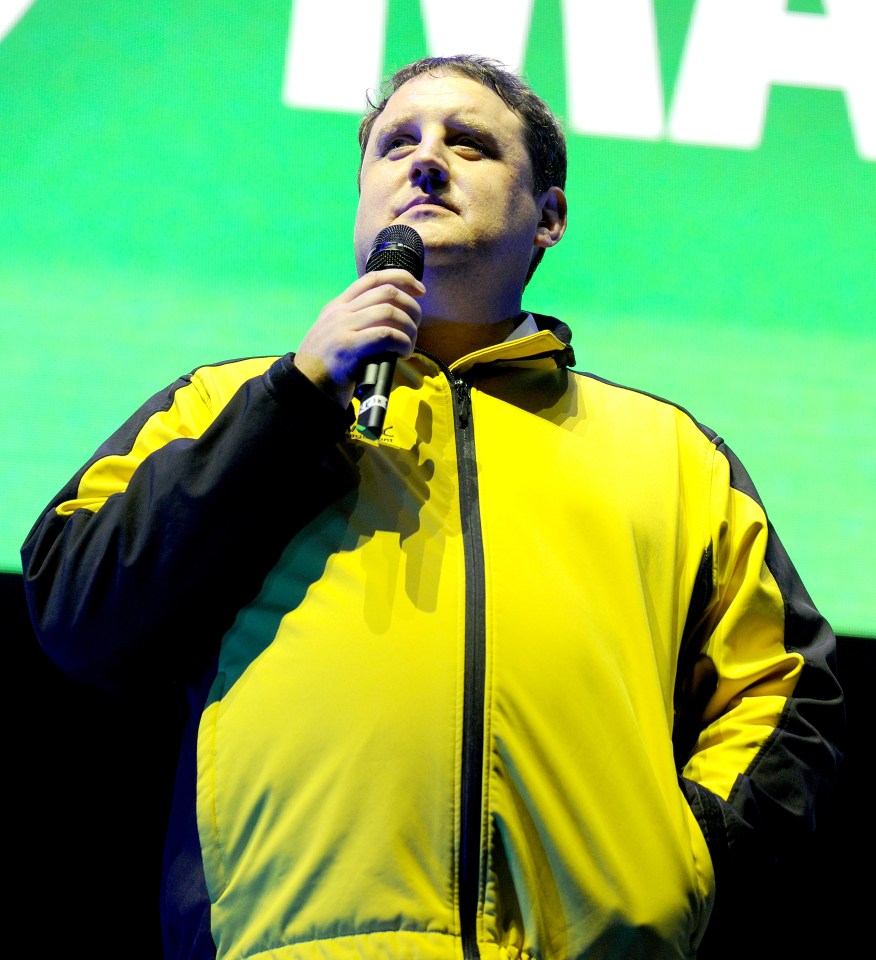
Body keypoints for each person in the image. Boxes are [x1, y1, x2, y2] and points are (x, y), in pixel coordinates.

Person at [21, 55, 843, 960]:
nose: (426, 160)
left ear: (549, 218)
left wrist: (686, 859)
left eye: (469, 143)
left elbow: (785, 691)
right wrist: (294, 401)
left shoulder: (675, 455)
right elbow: (80, 613)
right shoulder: (227, 407)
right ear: (364, 199)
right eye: (395, 143)